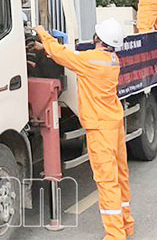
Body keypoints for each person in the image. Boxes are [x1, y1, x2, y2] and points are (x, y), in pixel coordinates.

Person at [28, 19, 134, 239]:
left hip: (99, 128)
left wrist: (42, 34)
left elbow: (62, 55)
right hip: (114, 124)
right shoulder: (112, 60)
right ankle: (126, 225)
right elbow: (74, 56)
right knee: (120, 175)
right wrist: (44, 48)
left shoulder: (91, 61)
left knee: (106, 181)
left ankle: (115, 235)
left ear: (97, 39)